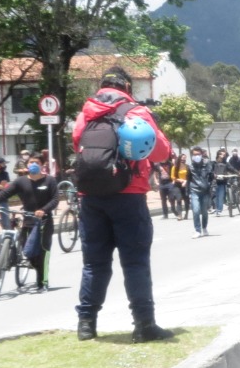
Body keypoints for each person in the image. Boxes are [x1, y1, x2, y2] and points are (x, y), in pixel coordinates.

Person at [71, 66, 173, 343]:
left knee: (94, 264)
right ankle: (144, 325)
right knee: (135, 262)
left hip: (90, 197)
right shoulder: (135, 111)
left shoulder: (86, 113)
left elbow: (77, 144)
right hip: (129, 194)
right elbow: (162, 150)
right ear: (127, 87)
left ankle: (86, 324)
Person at [0, 154, 59, 291]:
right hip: (28, 220)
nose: (33, 165)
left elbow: (55, 200)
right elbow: (5, 193)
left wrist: (44, 210)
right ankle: (32, 264)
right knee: (28, 251)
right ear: (27, 165)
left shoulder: (49, 181)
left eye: (36, 162)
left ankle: (42, 282)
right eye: (31, 162)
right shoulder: (21, 181)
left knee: (43, 252)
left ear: (42, 165)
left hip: (44, 222)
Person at [186, 146, 214, 237]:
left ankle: (204, 228)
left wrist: (212, 188)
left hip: (205, 191)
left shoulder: (207, 165)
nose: (196, 156)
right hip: (194, 190)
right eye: (194, 155)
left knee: (204, 211)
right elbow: (188, 179)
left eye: (198, 154)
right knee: (196, 210)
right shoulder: (190, 167)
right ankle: (197, 230)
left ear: (201, 155)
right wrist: (187, 193)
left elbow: (211, 177)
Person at [170, 153, 190, 220]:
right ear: (179, 159)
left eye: (184, 159)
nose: (183, 160)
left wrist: (185, 181)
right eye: (182, 158)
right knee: (179, 199)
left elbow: (190, 176)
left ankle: (186, 214)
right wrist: (179, 180)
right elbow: (172, 177)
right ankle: (179, 215)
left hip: (185, 184)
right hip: (177, 185)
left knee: (186, 200)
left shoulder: (187, 167)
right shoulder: (175, 167)